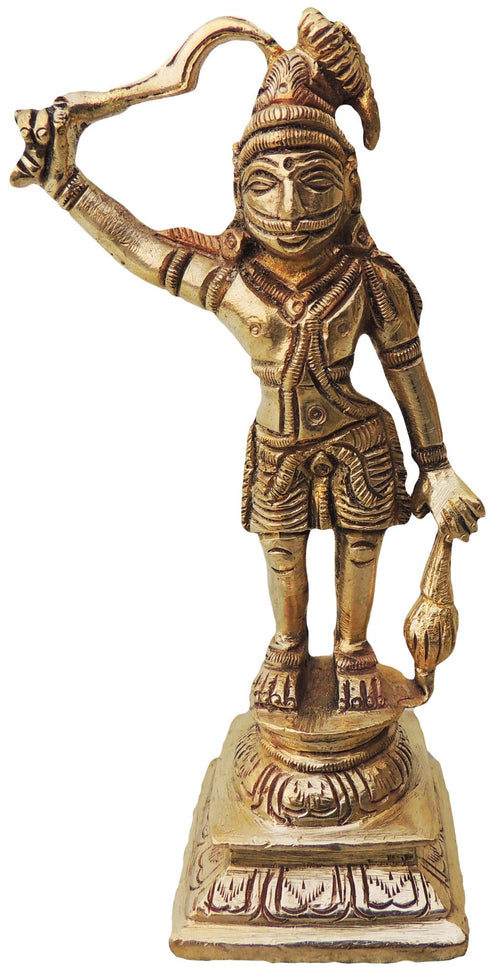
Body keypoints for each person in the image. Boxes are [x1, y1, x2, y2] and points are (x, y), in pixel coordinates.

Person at [13, 12, 483, 713]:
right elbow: (140, 248)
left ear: (351, 186)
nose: (291, 208)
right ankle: (288, 645)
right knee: (281, 551)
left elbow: (408, 375)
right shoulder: (231, 281)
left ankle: (353, 646)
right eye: (266, 184)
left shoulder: (371, 283)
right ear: (238, 189)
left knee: (361, 547)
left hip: (359, 442)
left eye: (316, 183)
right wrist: (65, 184)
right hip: (276, 444)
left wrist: (436, 466)